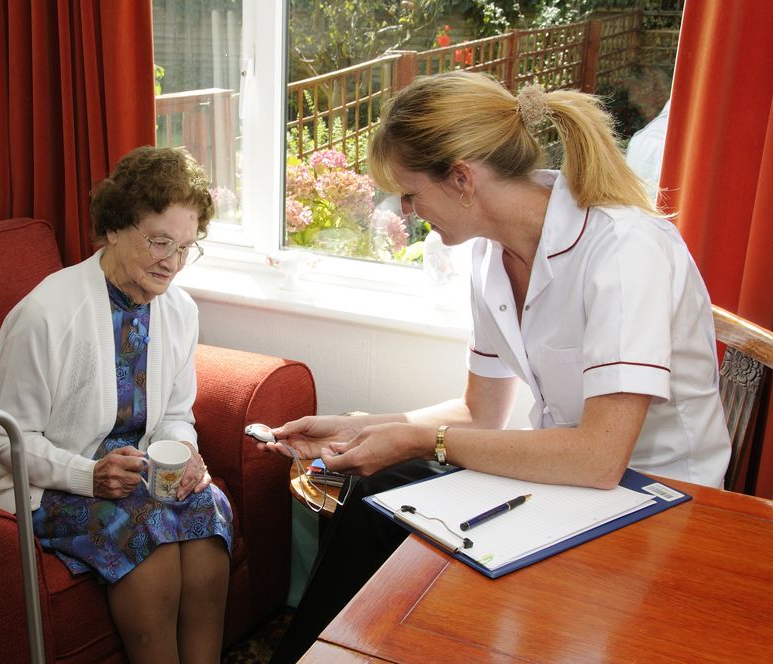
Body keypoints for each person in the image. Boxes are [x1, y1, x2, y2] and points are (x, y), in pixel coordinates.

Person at [259, 71, 731, 663]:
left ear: (461, 179)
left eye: (411, 192)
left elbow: (600, 456)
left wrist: (417, 440)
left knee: (386, 505)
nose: (408, 211)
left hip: (660, 495)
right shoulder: (490, 257)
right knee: (365, 491)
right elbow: (481, 413)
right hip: (567, 482)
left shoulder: (624, 249)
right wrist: (366, 427)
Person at [0, 146, 232, 664]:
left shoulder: (178, 310)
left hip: (135, 472)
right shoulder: (46, 313)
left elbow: (179, 413)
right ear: (114, 228)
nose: (173, 262)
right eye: (160, 241)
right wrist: (90, 476)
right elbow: (4, 439)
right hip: (46, 482)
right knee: (141, 528)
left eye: (186, 246)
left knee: (209, 510)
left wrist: (184, 453)